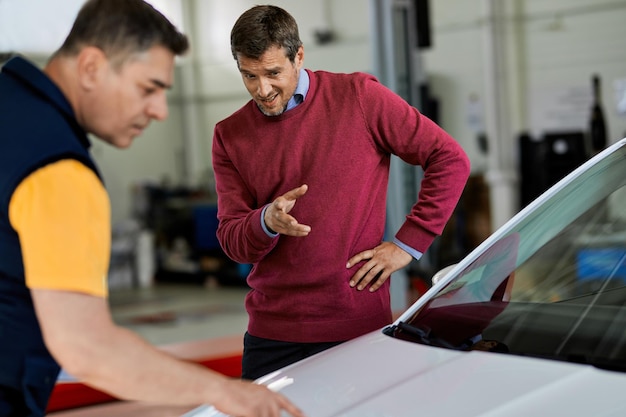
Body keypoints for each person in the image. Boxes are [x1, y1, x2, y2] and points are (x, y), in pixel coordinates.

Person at [0, 1, 305, 416]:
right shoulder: (57, 171)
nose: (160, 111)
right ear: (91, 66)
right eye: (149, 88)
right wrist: (225, 391)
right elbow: (87, 347)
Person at [212, 4, 471, 381]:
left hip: (354, 328)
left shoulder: (359, 97)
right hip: (271, 335)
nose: (262, 90)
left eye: (272, 73)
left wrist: (407, 244)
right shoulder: (230, 135)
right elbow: (233, 241)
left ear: (298, 55)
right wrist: (265, 221)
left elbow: (449, 159)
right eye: (248, 76)